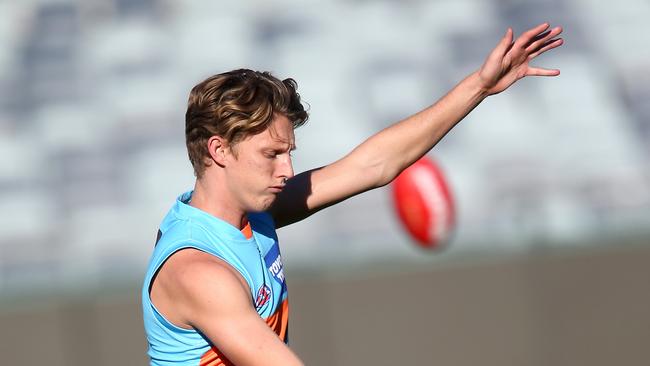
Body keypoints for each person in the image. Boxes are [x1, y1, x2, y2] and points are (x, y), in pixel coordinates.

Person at [142, 23, 563, 365]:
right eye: (271, 154)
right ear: (219, 150)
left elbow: (373, 165)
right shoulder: (198, 272)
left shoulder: (250, 211)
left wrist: (479, 87)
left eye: (288, 153)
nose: (286, 169)